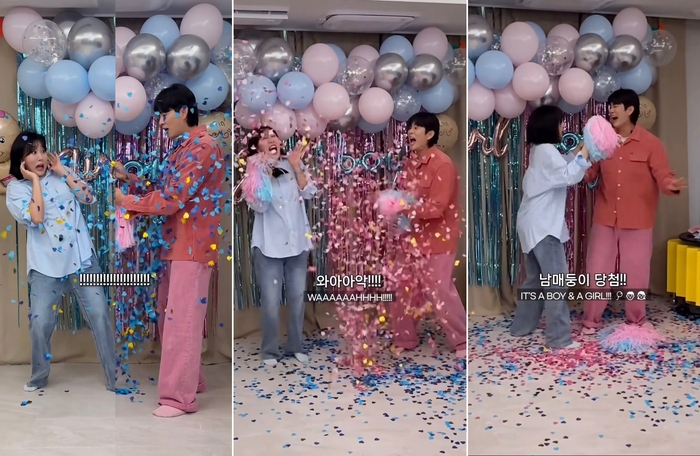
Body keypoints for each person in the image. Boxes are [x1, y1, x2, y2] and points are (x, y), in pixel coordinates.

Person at [114, 84, 225, 418]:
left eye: (165, 114)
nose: (161, 122)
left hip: (192, 246)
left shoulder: (203, 148)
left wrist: (127, 201)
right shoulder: (183, 148)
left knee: (182, 321)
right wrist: (131, 183)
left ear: (184, 111)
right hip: (173, 244)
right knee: (170, 318)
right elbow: (165, 190)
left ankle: (179, 398)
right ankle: (192, 380)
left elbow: (173, 198)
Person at [5, 132, 117, 392]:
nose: (40, 157)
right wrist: (34, 180)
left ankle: (114, 378)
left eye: (42, 150)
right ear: (21, 160)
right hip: (45, 267)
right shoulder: (16, 189)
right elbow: (36, 217)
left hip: (82, 260)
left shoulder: (61, 175)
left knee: (100, 315)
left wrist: (63, 171)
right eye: (32, 153)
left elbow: (89, 197)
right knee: (40, 323)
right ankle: (39, 376)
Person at [581, 89, 685, 335]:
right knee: (597, 271)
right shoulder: (603, 142)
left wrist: (670, 185)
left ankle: (636, 320)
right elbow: (590, 175)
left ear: (630, 110)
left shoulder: (651, 143)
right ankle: (591, 320)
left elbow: (663, 175)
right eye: (610, 106)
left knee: (636, 274)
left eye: (616, 106)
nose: (611, 110)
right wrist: (581, 159)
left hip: (638, 219)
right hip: (605, 217)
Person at [510, 106, 591, 348]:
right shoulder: (546, 151)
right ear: (550, 125)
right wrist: (584, 152)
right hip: (543, 227)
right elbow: (568, 175)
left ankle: (521, 327)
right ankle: (559, 339)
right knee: (556, 281)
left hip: (531, 223)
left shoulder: (539, 150)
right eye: (560, 122)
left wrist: (579, 153)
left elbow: (565, 168)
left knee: (535, 279)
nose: (563, 127)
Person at [392, 112, 467, 357]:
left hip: (438, 239)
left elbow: (436, 208)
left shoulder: (443, 164)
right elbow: (405, 197)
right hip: (410, 237)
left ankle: (462, 341)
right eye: (410, 127)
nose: (410, 132)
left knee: (440, 291)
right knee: (404, 288)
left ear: (430, 134)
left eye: (416, 128)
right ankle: (405, 338)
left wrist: (402, 207)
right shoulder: (409, 163)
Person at [242, 127, 316, 367]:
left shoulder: (292, 162)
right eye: (264, 138)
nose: (271, 139)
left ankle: (295, 346)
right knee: (271, 303)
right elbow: (260, 206)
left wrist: (296, 165)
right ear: (257, 147)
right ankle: (270, 351)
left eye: (273, 135)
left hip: (297, 244)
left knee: (297, 299)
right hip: (268, 247)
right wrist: (262, 172)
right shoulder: (253, 170)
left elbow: (310, 192)